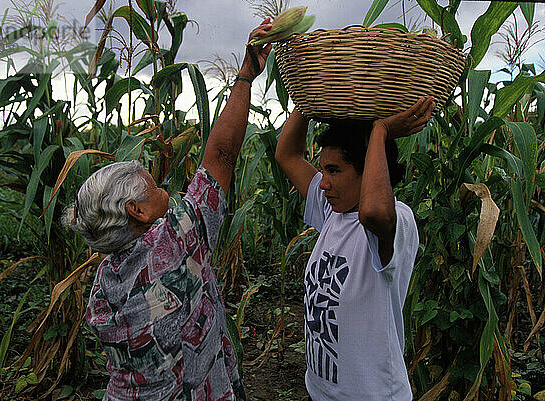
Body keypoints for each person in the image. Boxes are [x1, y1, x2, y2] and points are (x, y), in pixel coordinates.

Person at [62, 20, 272, 401]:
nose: (164, 188)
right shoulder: (176, 242)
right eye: (152, 185)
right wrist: (245, 74)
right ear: (137, 211)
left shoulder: (104, 285)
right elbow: (221, 157)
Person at [275, 97, 435, 400]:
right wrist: (307, 98)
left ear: (370, 169)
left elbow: (373, 212)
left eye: (334, 170)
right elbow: (287, 154)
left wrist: (380, 131)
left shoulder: (396, 220)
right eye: (323, 170)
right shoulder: (332, 211)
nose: (323, 183)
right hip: (322, 392)